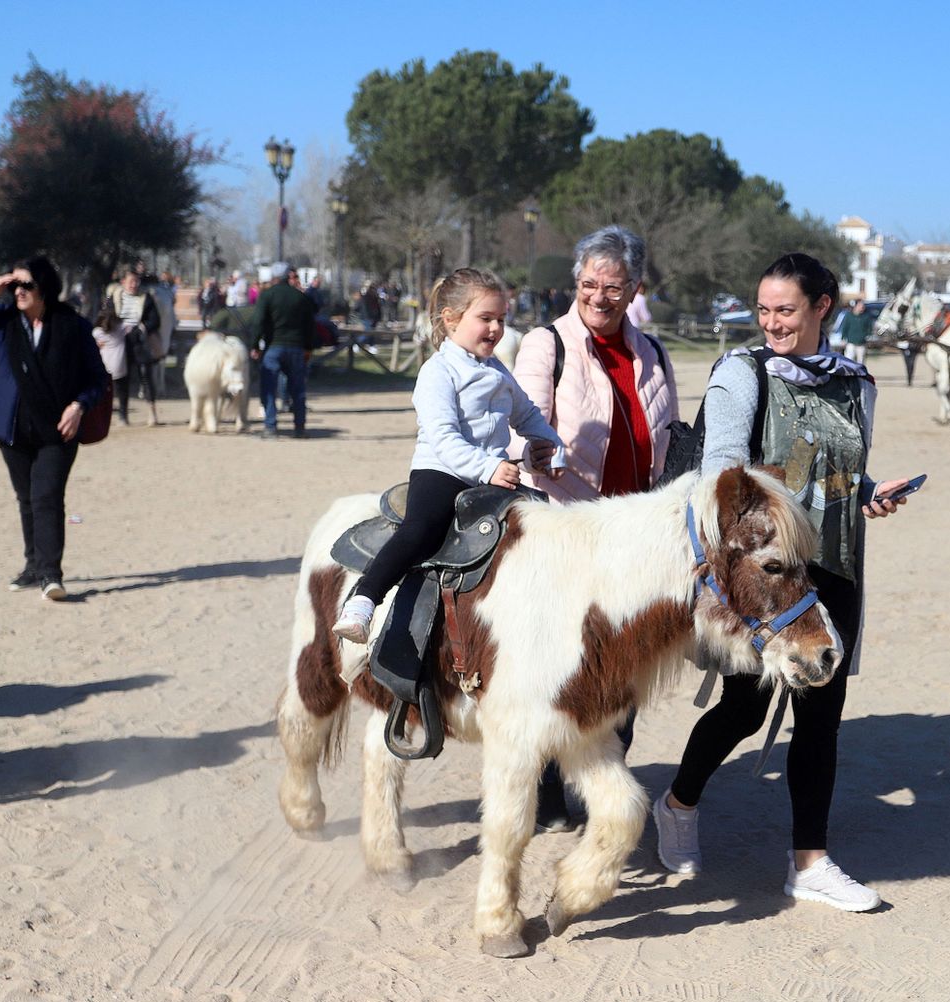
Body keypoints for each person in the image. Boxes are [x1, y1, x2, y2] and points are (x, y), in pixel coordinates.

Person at [652, 251, 916, 913]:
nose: (771, 321)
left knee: (821, 718)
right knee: (741, 708)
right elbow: (721, 477)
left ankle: (811, 863)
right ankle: (678, 804)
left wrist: (865, 492)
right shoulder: (744, 374)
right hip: (765, 573)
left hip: (835, 565)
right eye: (764, 308)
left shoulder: (858, 382)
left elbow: (836, 471)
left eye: (785, 310)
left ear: (823, 306)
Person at [512, 225, 680, 829]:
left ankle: (603, 765)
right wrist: (536, 450)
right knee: (564, 660)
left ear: (633, 288)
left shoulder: (654, 355)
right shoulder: (545, 344)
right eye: (588, 284)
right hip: (569, 527)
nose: (599, 297)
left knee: (627, 656)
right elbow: (525, 417)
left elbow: (670, 441)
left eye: (612, 286)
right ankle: (551, 791)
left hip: (635, 532)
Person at [332, 268, 566, 642]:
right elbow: (443, 437)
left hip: (491, 476)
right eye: (485, 318)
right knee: (420, 531)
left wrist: (549, 444)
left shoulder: (498, 371)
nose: (495, 328)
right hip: (442, 472)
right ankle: (364, 598)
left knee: (539, 522)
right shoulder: (437, 372)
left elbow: (527, 415)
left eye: (501, 319)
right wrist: (488, 466)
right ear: (451, 319)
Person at [0, 257, 106, 601]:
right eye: (15, 286)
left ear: (45, 288)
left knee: (47, 497)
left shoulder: (73, 325)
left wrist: (79, 406)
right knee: (26, 497)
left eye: (26, 285)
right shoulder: (1, 323)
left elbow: (97, 377)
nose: (19, 292)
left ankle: (50, 574)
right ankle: (32, 566)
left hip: (58, 430)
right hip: (12, 430)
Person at [249, 262, 317, 439]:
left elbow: (258, 322)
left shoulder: (267, 296)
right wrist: (308, 348)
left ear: (273, 277)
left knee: (269, 387)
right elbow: (309, 326)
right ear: (289, 276)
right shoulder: (300, 297)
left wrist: (254, 345)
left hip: (274, 346)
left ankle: (271, 426)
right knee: (298, 389)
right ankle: (299, 427)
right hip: (296, 347)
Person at [114, 269, 163, 426]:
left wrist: (141, 328)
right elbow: (104, 316)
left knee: (146, 375)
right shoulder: (112, 296)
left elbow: (155, 320)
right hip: (120, 342)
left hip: (141, 341)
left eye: (136, 281)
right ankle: (123, 415)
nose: (134, 285)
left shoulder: (146, 297)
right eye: (131, 282)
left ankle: (152, 412)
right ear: (123, 282)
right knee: (122, 378)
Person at [92, 302, 132, 426]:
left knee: (104, 394)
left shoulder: (97, 333)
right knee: (122, 392)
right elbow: (131, 324)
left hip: (105, 366)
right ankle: (123, 416)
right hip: (120, 365)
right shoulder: (120, 329)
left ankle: (102, 418)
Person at [839, 297, 872, 363]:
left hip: (861, 343)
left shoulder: (866, 316)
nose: (862, 307)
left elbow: (869, 328)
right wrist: (843, 338)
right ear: (855, 306)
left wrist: (867, 337)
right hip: (851, 343)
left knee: (861, 362)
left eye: (863, 305)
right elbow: (845, 327)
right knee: (849, 361)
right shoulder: (849, 316)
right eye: (860, 305)